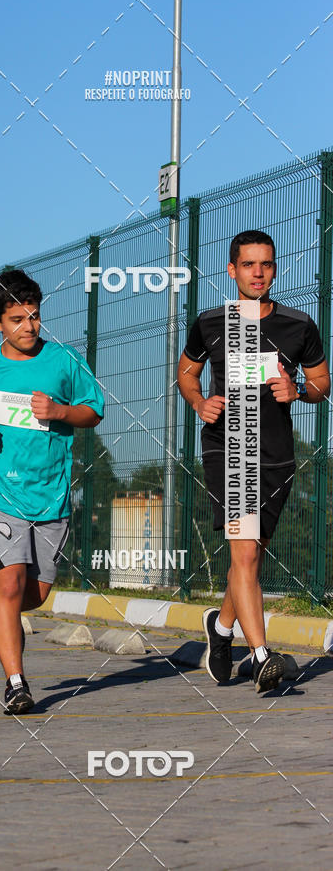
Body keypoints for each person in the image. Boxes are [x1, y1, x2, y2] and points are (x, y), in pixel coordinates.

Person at [0, 269, 104, 713]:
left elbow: (94, 412)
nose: (28, 327)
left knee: (36, 593)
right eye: (16, 319)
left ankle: (0, 607)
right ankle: (16, 683)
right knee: (9, 584)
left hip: (51, 497)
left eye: (34, 317)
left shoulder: (65, 362)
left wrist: (62, 410)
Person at [177, 230, 330, 693]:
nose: (257, 273)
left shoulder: (298, 326)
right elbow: (186, 373)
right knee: (244, 551)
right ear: (232, 270)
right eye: (248, 265)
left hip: (277, 455)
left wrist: (299, 391)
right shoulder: (209, 323)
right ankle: (263, 656)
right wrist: (199, 402)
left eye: (265, 264)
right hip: (227, 448)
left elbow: (323, 382)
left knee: (253, 555)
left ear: (275, 269)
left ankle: (221, 629)